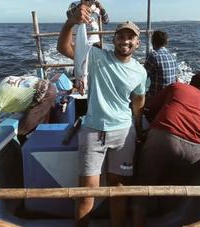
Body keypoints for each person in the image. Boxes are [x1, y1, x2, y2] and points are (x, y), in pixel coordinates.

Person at [57, 3, 147, 227]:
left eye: (131, 37)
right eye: (121, 36)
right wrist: (72, 22)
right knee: (87, 193)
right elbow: (63, 48)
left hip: (124, 134)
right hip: (93, 131)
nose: (125, 41)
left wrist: (139, 130)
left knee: (118, 189)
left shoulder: (140, 71)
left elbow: (138, 102)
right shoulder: (97, 57)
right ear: (114, 39)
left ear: (137, 42)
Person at [132, 72, 200, 227]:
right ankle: (169, 216)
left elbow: (151, 106)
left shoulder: (177, 86)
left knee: (143, 186)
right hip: (196, 150)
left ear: (190, 83)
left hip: (165, 140)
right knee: (175, 181)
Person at [0, 75, 57, 144]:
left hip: (44, 96)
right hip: (50, 87)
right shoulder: (1, 83)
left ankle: (26, 158)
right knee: (43, 125)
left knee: (22, 132)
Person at [144, 30, 178, 103]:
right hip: (169, 98)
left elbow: (142, 76)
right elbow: (176, 78)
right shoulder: (173, 57)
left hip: (156, 99)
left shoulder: (154, 56)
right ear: (166, 43)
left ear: (153, 42)